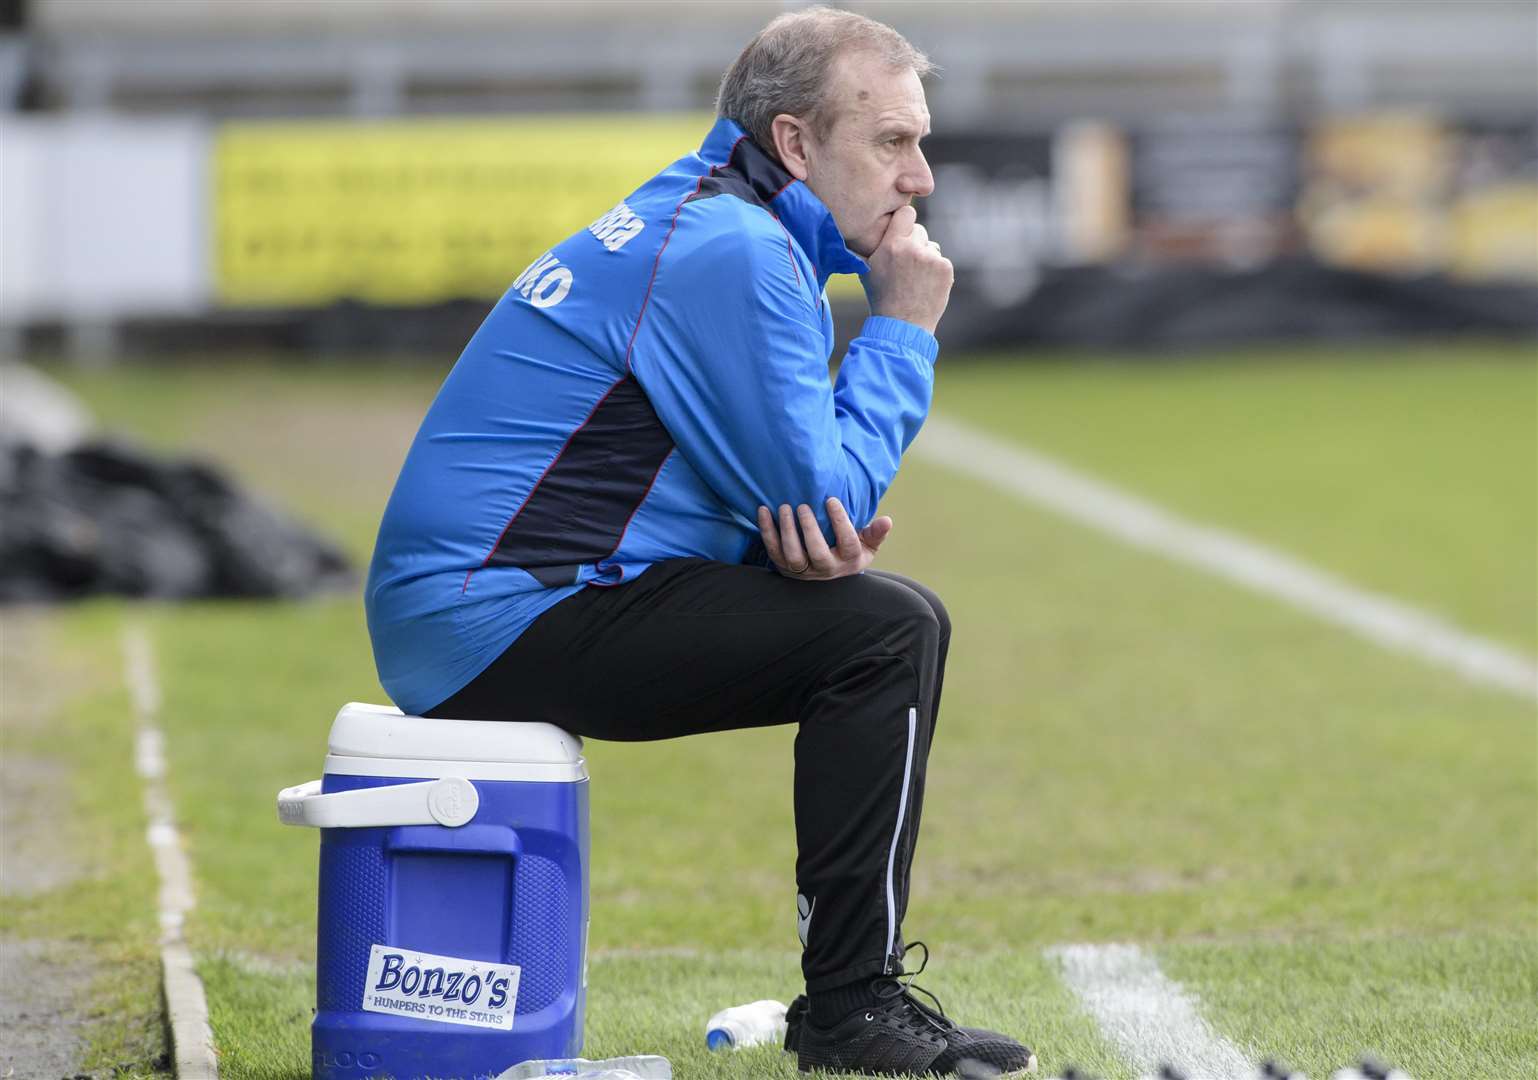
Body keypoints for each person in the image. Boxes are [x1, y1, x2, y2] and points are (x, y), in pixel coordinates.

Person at [365, 7, 1036, 1076]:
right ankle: (849, 1007)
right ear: (793, 145)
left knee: (876, 622)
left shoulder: (711, 221)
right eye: (891, 142)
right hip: (493, 615)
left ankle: (850, 998)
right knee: (884, 633)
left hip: (485, 602)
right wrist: (904, 325)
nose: (920, 178)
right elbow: (825, 498)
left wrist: (772, 544)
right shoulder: (732, 250)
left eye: (918, 141)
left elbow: (702, 488)